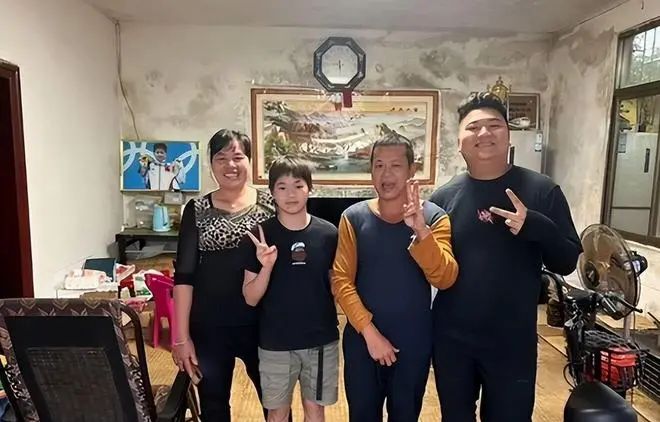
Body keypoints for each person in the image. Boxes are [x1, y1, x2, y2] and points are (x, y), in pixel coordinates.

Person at [429, 92, 581, 422]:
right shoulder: (442, 198)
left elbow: (567, 261)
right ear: (459, 141)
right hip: (452, 339)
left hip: (512, 340)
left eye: (494, 125)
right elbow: (433, 267)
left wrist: (537, 226)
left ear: (509, 135)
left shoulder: (542, 190)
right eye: (473, 127)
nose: (484, 133)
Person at [331, 132, 459, 421]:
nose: (386, 174)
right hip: (363, 339)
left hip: (413, 340)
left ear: (412, 170)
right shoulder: (354, 217)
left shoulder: (435, 217)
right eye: (379, 165)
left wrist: (420, 230)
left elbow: (445, 278)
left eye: (395, 165)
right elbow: (341, 281)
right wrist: (370, 333)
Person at [173, 129, 276, 421]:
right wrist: (181, 338)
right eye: (221, 158)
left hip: (264, 324)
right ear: (211, 164)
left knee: (276, 404)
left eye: (238, 157)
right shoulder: (197, 209)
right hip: (209, 326)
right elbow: (184, 276)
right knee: (214, 406)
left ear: (250, 161)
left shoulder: (270, 205)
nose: (230, 165)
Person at [242, 156, 339, 422]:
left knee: (315, 410)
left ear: (310, 188)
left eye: (298, 185)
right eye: (282, 187)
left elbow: (337, 286)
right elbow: (250, 298)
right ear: (272, 192)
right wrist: (266, 266)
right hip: (276, 342)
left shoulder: (329, 234)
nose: (291, 194)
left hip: (321, 340)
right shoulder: (260, 236)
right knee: (277, 413)